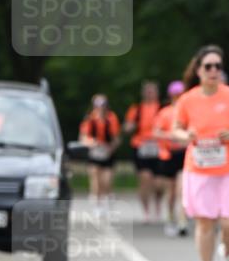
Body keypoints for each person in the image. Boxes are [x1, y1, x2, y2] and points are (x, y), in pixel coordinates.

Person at [173, 46, 229, 261]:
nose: (213, 70)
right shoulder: (187, 99)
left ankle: (228, 252)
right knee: (205, 221)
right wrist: (186, 136)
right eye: (208, 66)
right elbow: (176, 129)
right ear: (198, 70)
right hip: (199, 168)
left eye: (217, 66)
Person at [124, 81, 164, 223]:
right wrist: (130, 126)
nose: (150, 93)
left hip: (159, 147)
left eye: (152, 91)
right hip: (141, 147)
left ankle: (158, 205)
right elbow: (127, 127)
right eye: (147, 91)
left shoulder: (162, 108)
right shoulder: (136, 109)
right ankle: (146, 211)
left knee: (159, 183)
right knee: (145, 179)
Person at [153, 81, 189, 237]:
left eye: (180, 94)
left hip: (183, 153)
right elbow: (156, 132)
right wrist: (171, 136)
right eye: (176, 94)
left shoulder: (188, 111)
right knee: (171, 192)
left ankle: (182, 221)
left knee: (183, 189)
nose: (178, 97)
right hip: (169, 154)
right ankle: (170, 218)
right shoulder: (165, 112)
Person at [78, 94, 121, 210]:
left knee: (106, 180)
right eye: (98, 106)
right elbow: (83, 138)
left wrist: (110, 148)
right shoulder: (89, 119)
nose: (100, 108)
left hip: (107, 153)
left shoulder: (111, 118)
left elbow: (116, 138)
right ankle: (96, 204)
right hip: (94, 153)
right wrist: (92, 143)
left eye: (103, 106)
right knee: (95, 179)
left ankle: (107, 197)